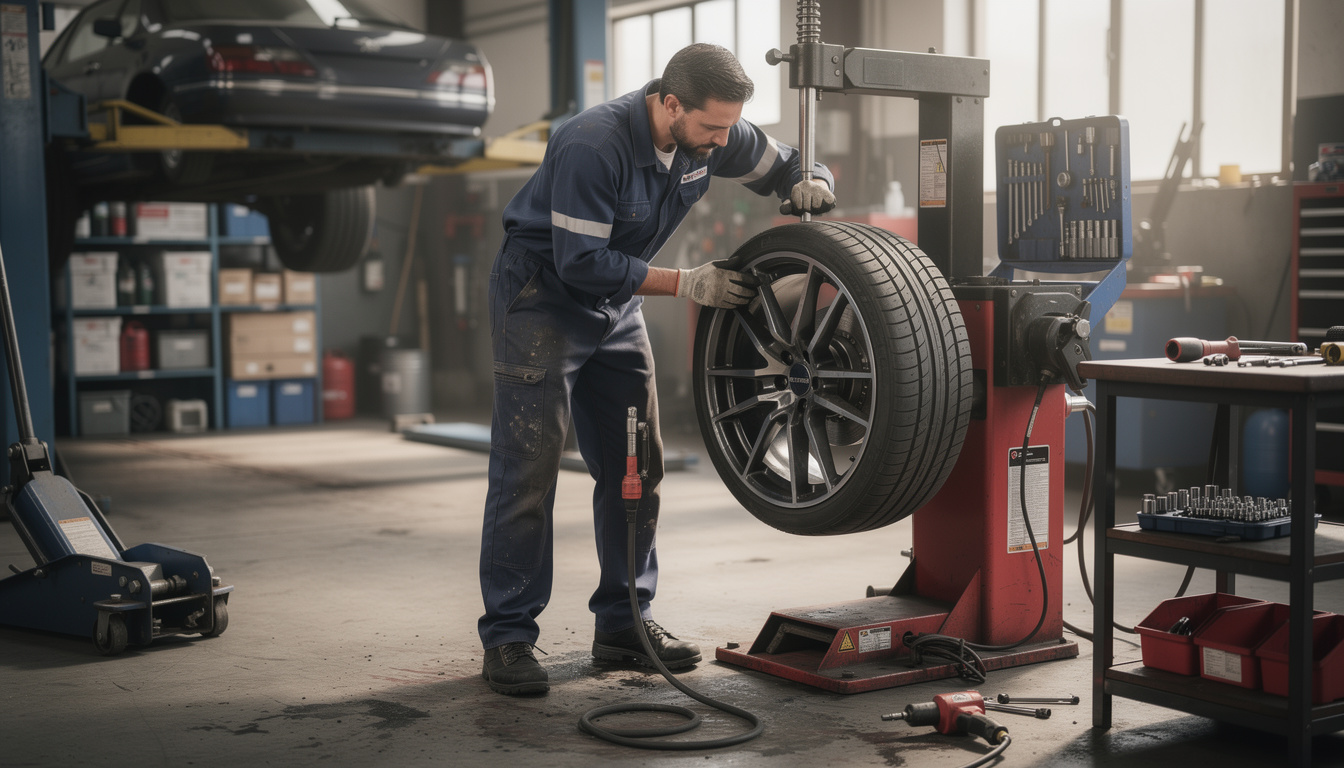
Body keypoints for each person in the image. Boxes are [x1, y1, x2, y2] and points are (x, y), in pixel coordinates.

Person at [479, 43, 835, 695]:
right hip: (542, 299)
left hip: (616, 307)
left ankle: (624, 625)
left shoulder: (713, 130)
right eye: (712, 127)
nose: (723, 141)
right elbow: (581, 263)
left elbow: (786, 161)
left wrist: (812, 179)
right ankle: (508, 637)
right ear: (670, 104)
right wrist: (686, 283)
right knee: (527, 469)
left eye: (730, 127)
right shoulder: (593, 144)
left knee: (636, 467)